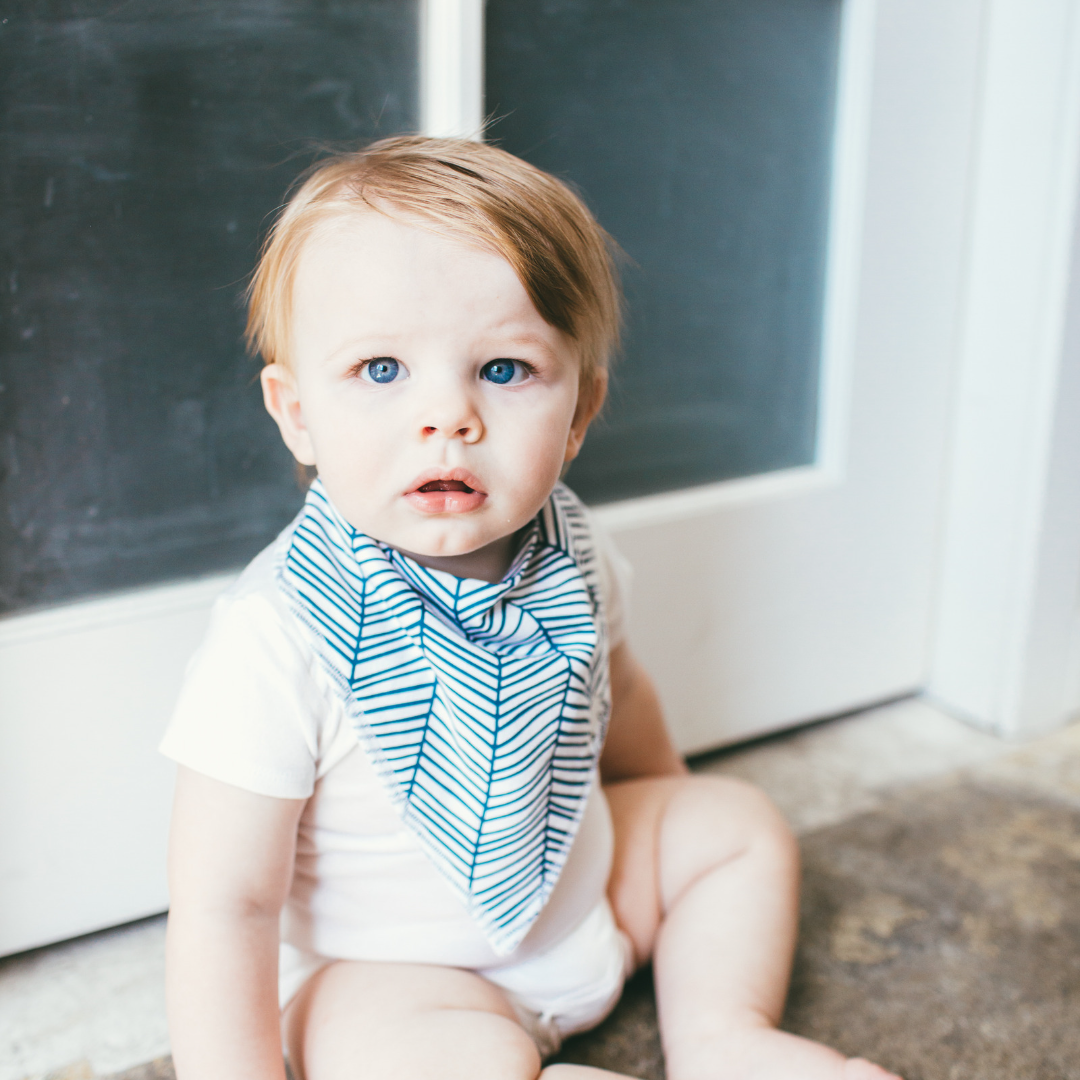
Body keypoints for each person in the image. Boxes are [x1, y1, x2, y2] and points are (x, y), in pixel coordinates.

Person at [161, 135, 901, 1080]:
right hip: (400, 976)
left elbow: (618, 696)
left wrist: (660, 820)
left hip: (586, 900)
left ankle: (723, 1035)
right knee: (407, 1047)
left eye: (503, 371)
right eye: (382, 370)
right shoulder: (277, 637)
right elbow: (226, 905)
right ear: (296, 409)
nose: (448, 417)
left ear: (582, 407)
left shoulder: (572, 553)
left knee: (734, 825)